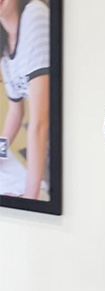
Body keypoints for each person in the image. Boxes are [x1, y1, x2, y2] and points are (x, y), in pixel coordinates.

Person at [0, 0, 49, 199]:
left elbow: (40, 122)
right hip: (44, 141)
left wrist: (29, 201)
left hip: (62, 138)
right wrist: (0, 153)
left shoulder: (34, 15)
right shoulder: (5, 44)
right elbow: (15, 111)